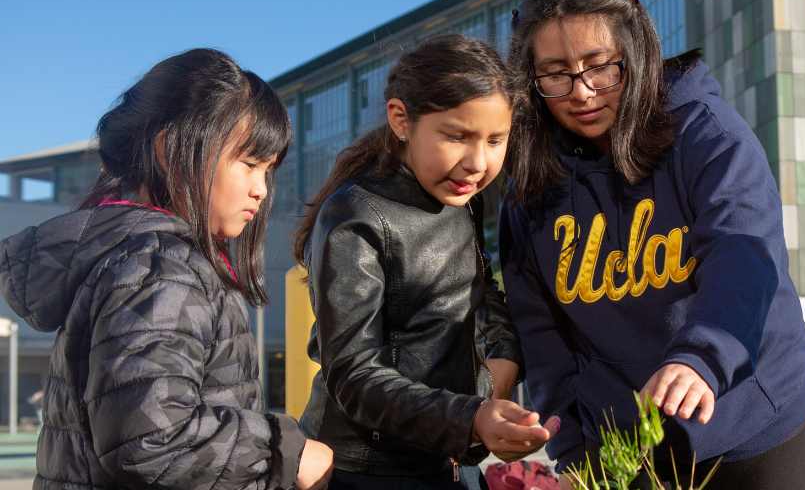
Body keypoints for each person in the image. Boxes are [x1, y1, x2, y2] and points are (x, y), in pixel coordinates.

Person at [499, 0, 805, 490]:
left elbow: (744, 255)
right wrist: (575, 451)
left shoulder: (706, 134)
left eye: (600, 65)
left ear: (636, 51)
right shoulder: (529, 189)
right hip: (629, 452)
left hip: (753, 426)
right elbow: (542, 334)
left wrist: (702, 357)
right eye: (556, 74)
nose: (581, 91)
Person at [0, 49, 333, 490]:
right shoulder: (159, 266)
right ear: (171, 150)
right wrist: (288, 453)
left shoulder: (141, 256)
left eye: (269, 171)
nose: (261, 189)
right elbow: (153, 439)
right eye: (250, 164)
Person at [293, 35, 554, 490]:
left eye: (496, 140)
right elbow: (353, 372)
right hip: (366, 471)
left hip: (448, 459)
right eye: (457, 136)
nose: (477, 162)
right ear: (401, 120)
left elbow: (480, 287)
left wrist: (506, 355)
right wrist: (470, 418)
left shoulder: (462, 198)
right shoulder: (355, 215)